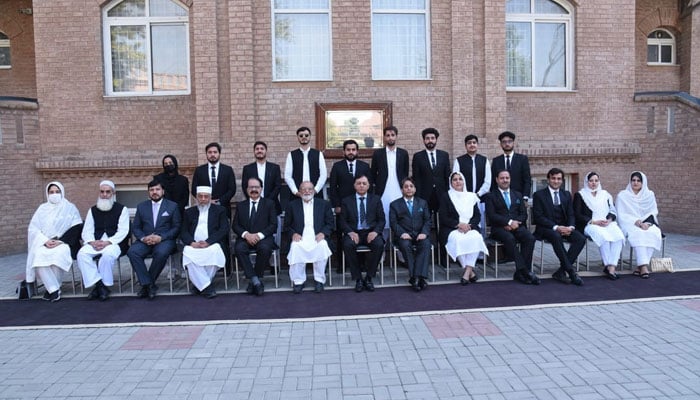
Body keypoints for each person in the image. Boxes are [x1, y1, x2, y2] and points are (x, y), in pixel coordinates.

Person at [26, 181, 83, 302]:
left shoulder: (70, 207)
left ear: (62, 192)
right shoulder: (42, 209)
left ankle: (51, 289)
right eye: (51, 192)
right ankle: (54, 289)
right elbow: (33, 228)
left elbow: (77, 226)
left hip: (64, 242)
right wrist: (45, 241)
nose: (54, 194)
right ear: (47, 194)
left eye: (57, 192)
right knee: (38, 256)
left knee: (57, 255)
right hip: (45, 242)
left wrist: (60, 241)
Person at [76, 180, 130, 301]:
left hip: (114, 243)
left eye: (107, 192)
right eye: (102, 192)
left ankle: (101, 287)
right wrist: (91, 242)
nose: (104, 194)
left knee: (107, 255)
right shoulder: (93, 210)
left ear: (113, 193)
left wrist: (108, 242)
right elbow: (86, 231)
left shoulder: (122, 209)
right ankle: (100, 286)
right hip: (95, 242)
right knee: (82, 254)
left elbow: (123, 231)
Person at [128, 179, 182, 299]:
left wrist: (161, 237)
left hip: (165, 240)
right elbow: (136, 227)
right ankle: (149, 284)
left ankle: (146, 285)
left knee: (161, 253)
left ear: (163, 191)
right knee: (132, 252)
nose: (154, 192)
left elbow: (176, 227)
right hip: (145, 240)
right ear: (148, 192)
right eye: (151, 190)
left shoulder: (172, 206)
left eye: (157, 189)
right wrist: (143, 238)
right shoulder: (141, 206)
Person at [485, 170, 539, 285]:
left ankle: (521, 272)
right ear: (497, 180)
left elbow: (524, 214)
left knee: (530, 238)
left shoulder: (517, 194)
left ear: (510, 179)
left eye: (507, 178)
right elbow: (491, 215)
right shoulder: (490, 196)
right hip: (499, 228)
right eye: (502, 178)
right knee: (509, 238)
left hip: (517, 226)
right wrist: (508, 222)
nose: (505, 180)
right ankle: (525, 271)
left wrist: (516, 223)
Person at [532, 168, 585, 286]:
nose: (556, 181)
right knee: (556, 236)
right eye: (553, 178)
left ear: (562, 181)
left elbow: (571, 214)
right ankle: (571, 271)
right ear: (548, 179)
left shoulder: (566, 194)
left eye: (559, 179)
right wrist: (556, 227)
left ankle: (561, 271)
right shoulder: (539, 195)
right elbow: (538, 217)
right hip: (546, 228)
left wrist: (570, 227)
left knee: (580, 238)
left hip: (565, 227)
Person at [439, 172, 489, 285]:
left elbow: (477, 216)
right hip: (452, 228)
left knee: (476, 237)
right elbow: (443, 217)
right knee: (458, 240)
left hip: (470, 228)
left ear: (464, 181)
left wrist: (469, 226)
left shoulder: (471, 196)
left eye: (460, 179)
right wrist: (458, 224)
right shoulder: (446, 196)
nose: (458, 182)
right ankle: (470, 272)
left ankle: (467, 272)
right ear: (451, 183)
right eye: (455, 180)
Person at [573, 172, 625, 280]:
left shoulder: (605, 194)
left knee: (618, 237)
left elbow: (612, 210)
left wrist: (609, 220)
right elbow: (577, 214)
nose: (594, 183)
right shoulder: (580, 195)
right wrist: (594, 222)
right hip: (590, 225)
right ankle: (607, 265)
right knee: (603, 237)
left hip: (606, 223)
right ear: (587, 182)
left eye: (596, 180)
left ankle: (612, 266)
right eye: (591, 181)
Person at [339, 175, 385, 293]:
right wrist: (350, 232)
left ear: (369, 186)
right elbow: (342, 221)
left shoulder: (376, 199)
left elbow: (381, 220)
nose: (361, 186)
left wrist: (375, 232)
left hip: (371, 232)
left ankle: (369, 277)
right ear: (354, 185)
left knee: (379, 244)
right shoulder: (346, 201)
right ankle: (358, 278)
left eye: (364, 183)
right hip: (354, 232)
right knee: (348, 245)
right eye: (359, 183)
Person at [285, 181, 334, 294]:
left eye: (310, 189)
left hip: (317, 236)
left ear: (314, 191)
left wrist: (323, 233)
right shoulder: (292, 205)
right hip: (300, 237)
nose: (307, 191)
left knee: (322, 246)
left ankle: (319, 280)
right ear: (300, 191)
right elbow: (287, 226)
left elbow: (330, 223)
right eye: (304, 189)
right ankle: (298, 281)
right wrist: (293, 234)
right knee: (295, 247)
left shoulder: (323, 204)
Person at [180, 186, 229, 299]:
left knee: (215, 252)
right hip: (194, 245)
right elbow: (183, 231)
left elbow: (224, 229)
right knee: (187, 252)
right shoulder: (189, 212)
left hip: (212, 244)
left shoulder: (220, 210)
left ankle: (200, 285)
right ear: (196, 198)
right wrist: (192, 243)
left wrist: (208, 242)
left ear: (210, 197)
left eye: (205, 197)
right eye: (200, 196)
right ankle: (207, 287)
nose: (203, 199)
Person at [232, 177, 278, 296]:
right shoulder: (241, 205)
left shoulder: (269, 204)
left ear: (261, 189)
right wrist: (246, 235)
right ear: (246, 189)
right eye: (251, 187)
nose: (254, 189)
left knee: (264, 248)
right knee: (239, 249)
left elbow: (273, 225)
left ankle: (254, 280)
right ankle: (256, 281)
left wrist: (258, 235)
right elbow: (235, 225)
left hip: (264, 237)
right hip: (245, 238)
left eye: (256, 187)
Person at [615, 171, 663, 279]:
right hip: (630, 223)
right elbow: (621, 214)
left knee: (653, 232)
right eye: (633, 180)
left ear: (643, 182)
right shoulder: (623, 195)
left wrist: (647, 223)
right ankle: (644, 266)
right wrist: (637, 222)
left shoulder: (649, 194)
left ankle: (640, 266)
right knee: (638, 233)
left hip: (647, 223)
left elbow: (653, 212)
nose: (635, 183)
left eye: (638, 180)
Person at [390, 177, 432, 292]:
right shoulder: (394, 204)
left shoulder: (422, 203)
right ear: (402, 189)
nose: (409, 189)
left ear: (415, 188)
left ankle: (415, 277)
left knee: (426, 244)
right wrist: (402, 233)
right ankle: (419, 277)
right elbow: (393, 223)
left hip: (420, 235)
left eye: (411, 186)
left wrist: (424, 233)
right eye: (406, 187)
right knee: (405, 245)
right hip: (404, 236)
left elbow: (428, 220)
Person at [371, 126, 409, 227]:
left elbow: (405, 172)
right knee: (384, 213)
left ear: (396, 136)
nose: (390, 138)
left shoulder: (403, 153)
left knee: (399, 214)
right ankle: (384, 240)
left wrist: (404, 187)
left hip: (399, 189)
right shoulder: (378, 154)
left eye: (392, 135)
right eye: (388, 135)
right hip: (383, 190)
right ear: (384, 137)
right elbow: (373, 173)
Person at [454, 134, 491, 237]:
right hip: (464, 199)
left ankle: (480, 248)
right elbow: (456, 181)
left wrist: (477, 195)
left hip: (480, 199)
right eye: (469, 143)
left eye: (474, 143)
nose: (472, 145)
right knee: (465, 224)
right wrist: (466, 195)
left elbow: (487, 182)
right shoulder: (459, 161)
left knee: (479, 225)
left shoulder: (484, 160)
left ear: (477, 145)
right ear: (465, 146)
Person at [191, 142, 237, 218]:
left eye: (215, 152)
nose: (212, 154)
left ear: (219, 154)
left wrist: (219, 201)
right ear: (206, 154)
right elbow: (194, 189)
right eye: (210, 152)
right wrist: (207, 200)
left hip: (223, 208)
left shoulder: (227, 170)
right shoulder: (199, 170)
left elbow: (232, 189)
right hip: (204, 208)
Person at [412, 128, 451, 212]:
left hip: (441, 194)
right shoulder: (417, 156)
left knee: (442, 220)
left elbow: (447, 176)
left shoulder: (444, 155)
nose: (430, 140)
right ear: (424, 140)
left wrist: (447, 194)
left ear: (436, 140)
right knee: (425, 219)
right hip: (424, 195)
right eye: (427, 138)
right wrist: (417, 196)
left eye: (432, 138)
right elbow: (416, 178)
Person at [329, 139, 371, 216]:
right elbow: (333, 187)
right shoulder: (337, 166)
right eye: (348, 150)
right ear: (344, 151)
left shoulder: (365, 166)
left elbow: (369, 186)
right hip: (342, 205)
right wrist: (336, 205)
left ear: (357, 151)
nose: (351, 152)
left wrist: (369, 203)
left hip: (361, 203)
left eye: (353, 150)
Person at [284, 127, 327, 199]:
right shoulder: (291, 155)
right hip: (297, 194)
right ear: (297, 137)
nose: (304, 137)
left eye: (306, 135)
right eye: (301, 136)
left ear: (310, 136)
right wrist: (295, 192)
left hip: (315, 194)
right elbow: (287, 176)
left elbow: (323, 175)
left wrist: (315, 190)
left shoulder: (318, 154)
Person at [241, 141, 282, 215]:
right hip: (253, 206)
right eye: (257, 149)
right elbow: (245, 186)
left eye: (262, 149)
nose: (259, 151)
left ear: (266, 151)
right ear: (254, 152)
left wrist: (266, 202)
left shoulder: (274, 168)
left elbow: (278, 186)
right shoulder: (247, 168)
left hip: (272, 205)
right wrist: (255, 200)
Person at [491, 131, 532, 200]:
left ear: (513, 143)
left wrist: (525, 196)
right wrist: (494, 197)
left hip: (518, 197)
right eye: (504, 142)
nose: (507, 144)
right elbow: (493, 181)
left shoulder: (522, 159)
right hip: (500, 198)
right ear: (501, 144)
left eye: (509, 141)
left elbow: (527, 179)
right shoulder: (496, 161)